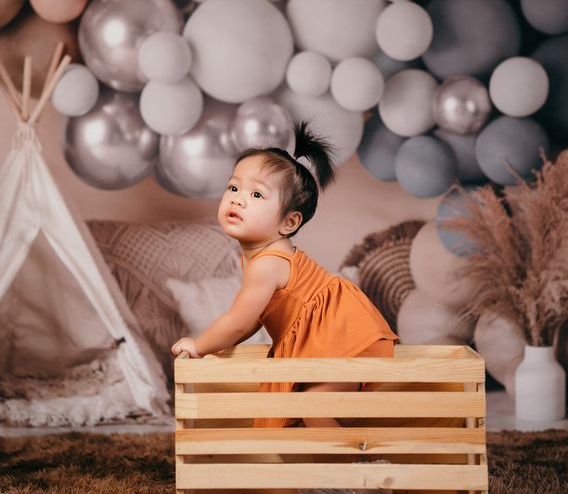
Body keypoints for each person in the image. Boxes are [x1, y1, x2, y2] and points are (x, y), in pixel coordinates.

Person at [171, 122, 399, 429]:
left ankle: (351, 470)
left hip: (340, 333)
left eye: (256, 194)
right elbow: (253, 318)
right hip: (328, 337)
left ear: (289, 223)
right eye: (234, 187)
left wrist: (199, 346)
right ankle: (329, 466)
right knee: (305, 407)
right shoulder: (256, 260)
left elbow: (237, 320)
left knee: (311, 405)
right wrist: (223, 344)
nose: (238, 199)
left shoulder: (268, 263)